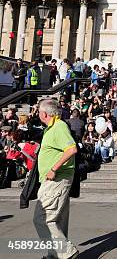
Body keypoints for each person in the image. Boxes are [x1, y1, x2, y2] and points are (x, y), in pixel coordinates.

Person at [33, 99, 79, 259]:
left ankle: (66, 253)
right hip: (56, 180)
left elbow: (71, 149)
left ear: (44, 114)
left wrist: (53, 168)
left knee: (42, 218)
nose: (37, 114)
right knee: (56, 219)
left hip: (57, 179)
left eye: (38, 111)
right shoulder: (51, 128)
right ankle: (55, 254)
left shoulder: (59, 127)